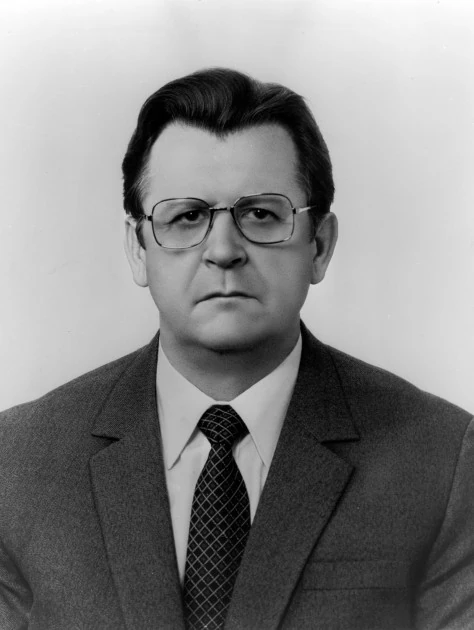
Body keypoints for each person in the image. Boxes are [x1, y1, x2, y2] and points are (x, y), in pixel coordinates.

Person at [0, 67, 473, 630]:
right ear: (137, 249)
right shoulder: (18, 465)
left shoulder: (443, 460)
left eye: (261, 214)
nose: (223, 250)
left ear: (319, 245)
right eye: (187, 216)